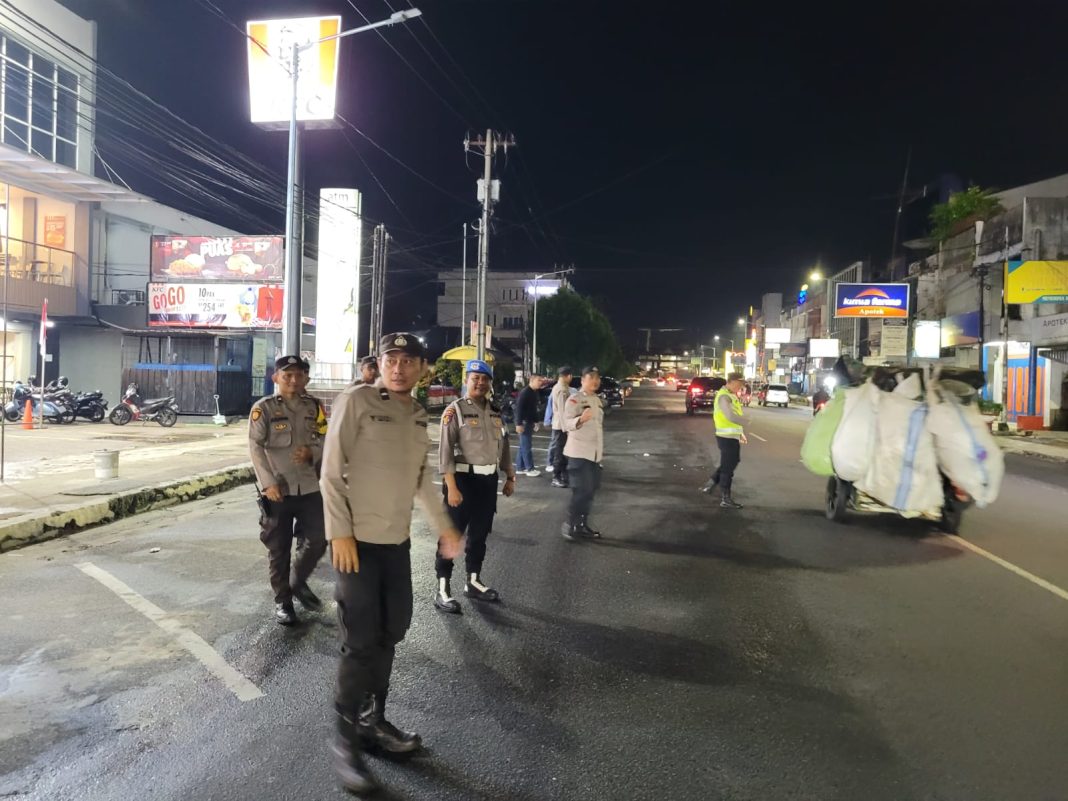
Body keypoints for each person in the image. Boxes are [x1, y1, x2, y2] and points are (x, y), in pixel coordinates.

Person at [320, 333, 464, 795]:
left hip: (395, 543)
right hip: (355, 542)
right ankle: (346, 745)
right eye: (390, 359)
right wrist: (338, 531)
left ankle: (372, 722)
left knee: (392, 631)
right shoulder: (356, 401)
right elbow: (330, 468)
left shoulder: (416, 413)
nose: (398, 367)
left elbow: (421, 476)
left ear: (423, 367)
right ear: (379, 363)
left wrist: (444, 526)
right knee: (360, 640)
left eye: (408, 360)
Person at [248, 355, 329, 625]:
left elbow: (324, 439)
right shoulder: (264, 409)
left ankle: (298, 580)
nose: (293, 380)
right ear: (276, 378)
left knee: (318, 539)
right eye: (287, 375)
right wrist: (267, 483)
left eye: (299, 375)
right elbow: (255, 447)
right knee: (279, 548)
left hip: (308, 486)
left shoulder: (315, 407)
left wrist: (313, 452)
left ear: (306, 378)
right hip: (278, 491)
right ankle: (283, 601)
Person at [434, 359, 516, 613]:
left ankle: (473, 581)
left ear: (490, 383)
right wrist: (452, 487)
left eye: (484, 379)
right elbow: (445, 452)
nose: (480, 383)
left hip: (488, 481)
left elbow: (503, 447)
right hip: (462, 481)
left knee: (480, 534)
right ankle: (443, 587)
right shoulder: (454, 411)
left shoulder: (495, 412)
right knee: (452, 535)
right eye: (475, 378)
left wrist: (510, 476)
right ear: (466, 381)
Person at [562, 366, 605, 540]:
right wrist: (580, 419)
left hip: (594, 454)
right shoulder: (574, 400)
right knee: (582, 490)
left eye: (597, 378)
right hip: (578, 453)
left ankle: (581, 525)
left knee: (591, 490)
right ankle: (570, 524)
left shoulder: (596, 400)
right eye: (591, 377)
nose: (595, 381)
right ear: (582, 380)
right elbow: (567, 424)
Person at [701, 372, 748, 509]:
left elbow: (734, 417)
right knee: (728, 468)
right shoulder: (724, 397)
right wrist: (747, 421)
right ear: (732, 382)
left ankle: (710, 484)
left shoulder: (730, 395)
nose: (740, 388)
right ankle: (725, 499)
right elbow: (730, 417)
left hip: (731, 436)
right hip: (726, 437)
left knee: (731, 462)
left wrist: (740, 433)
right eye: (739, 385)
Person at [513, 374, 543, 477]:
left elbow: (533, 409)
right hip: (524, 422)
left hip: (529, 422)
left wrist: (536, 421)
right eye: (539, 380)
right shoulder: (525, 392)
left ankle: (520, 468)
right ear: (532, 380)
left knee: (523, 446)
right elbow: (519, 409)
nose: (541, 382)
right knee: (526, 446)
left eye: (541, 380)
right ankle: (530, 469)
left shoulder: (534, 392)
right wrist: (518, 423)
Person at [549, 366, 574, 488]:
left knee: (564, 453)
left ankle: (564, 476)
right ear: (567, 376)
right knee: (559, 453)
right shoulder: (561, 389)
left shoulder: (561, 388)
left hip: (560, 425)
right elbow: (563, 411)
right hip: (560, 427)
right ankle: (556, 477)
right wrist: (567, 429)